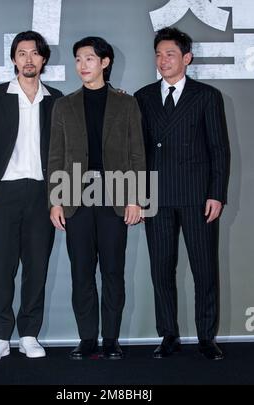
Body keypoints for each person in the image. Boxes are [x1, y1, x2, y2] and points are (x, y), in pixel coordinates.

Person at [135, 27, 230, 360]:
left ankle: (206, 336)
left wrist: (216, 193)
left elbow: (219, 149)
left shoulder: (206, 96)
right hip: (156, 196)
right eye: (159, 54)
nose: (163, 60)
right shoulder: (143, 97)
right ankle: (169, 335)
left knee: (204, 268)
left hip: (196, 196)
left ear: (186, 58)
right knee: (161, 269)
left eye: (170, 54)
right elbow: (136, 151)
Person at [48, 36, 146, 360]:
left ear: (104, 63)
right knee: (81, 273)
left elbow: (137, 154)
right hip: (76, 196)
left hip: (115, 194)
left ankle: (111, 339)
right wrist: (55, 200)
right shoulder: (64, 105)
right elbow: (56, 156)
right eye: (78, 59)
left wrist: (137, 199)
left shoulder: (126, 103)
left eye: (89, 58)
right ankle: (87, 339)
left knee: (114, 272)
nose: (82, 65)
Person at [0, 31, 63, 361]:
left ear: (43, 60)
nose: (28, 58)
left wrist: (59, 196)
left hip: (42, 194)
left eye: (35, 53)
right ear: (14, 59)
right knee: (1, 268)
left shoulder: (56, 100)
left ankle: (28, 334)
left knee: (36, 268)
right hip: (4, 194)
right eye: (22, 53)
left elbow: (64, 153)